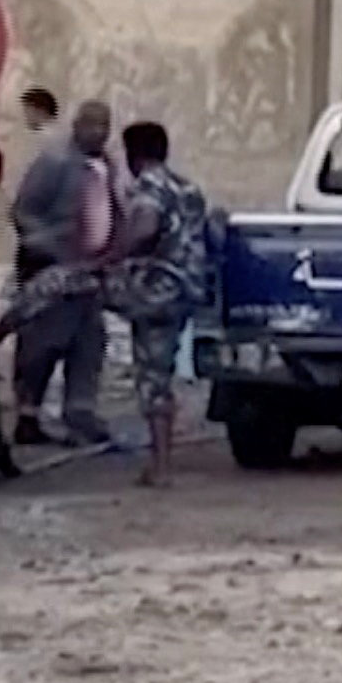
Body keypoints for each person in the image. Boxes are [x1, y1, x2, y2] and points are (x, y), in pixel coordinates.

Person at [105, 121, 215, 488]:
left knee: (152, 377)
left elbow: (145, 229)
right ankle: (161, 463)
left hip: (156, 291)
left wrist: (111, 257)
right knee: (162, 371)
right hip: (186, 291)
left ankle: (161, 466)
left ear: (133, 155)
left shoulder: (148, 187)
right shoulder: (189, 188)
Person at [5, 97, 118, 447]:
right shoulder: (54, 163)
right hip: (52, 271)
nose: (98, 132)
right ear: (76, 126)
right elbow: (23, 211)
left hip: (92, 271)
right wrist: (49, 248)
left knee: (89, 341)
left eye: (104, 125)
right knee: (42, 343)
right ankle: (28, 415)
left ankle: (79, 414)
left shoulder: (107, 167)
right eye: (91, 125)